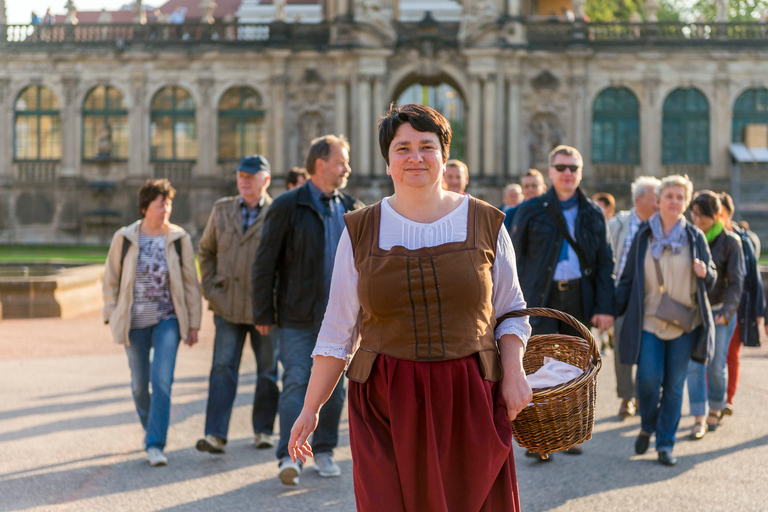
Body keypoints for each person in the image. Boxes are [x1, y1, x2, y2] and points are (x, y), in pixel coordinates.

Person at [288, 103, 532, 511]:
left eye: (427, 146)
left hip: (468, 396)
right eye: (402, 148)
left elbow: (510, 310)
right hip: (386, 402)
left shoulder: (487, 222)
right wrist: (309, 409)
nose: (415, 157)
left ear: (444, 155)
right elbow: (338, 331)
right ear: (387, 162)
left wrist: (515, 372)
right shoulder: (360, 229)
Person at [252, 134, 364, 486]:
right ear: (321, 164)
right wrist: (263, 313)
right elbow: (264, 262)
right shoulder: (287, 205)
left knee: (334, 387)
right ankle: (290, 455)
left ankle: (325, 450)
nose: (347, 168)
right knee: (297, 381)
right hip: (296, 315)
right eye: (341, 161)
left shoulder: (353, 207)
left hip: (342, 319)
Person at [511, 145, 614, 457]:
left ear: (580, 173)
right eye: (561, 167)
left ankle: (568, 431)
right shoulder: (531, 209)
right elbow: (513, 259)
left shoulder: (593, 212)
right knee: (537, 366)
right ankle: (537, 436)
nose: (567, 173)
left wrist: (605, 307)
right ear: (550, 172)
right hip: (541, 296)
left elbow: (605, 262)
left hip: (578, 297)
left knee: (573, 367)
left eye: (573, 168)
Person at [615, 175, 716, 467]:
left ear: (685, 203)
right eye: (669, 196)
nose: (674, 201)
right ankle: (648, 423)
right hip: (648, 320)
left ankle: (664, 443)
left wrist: (704, 273)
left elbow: (712, 278)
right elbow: (628, 278)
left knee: (673, 386)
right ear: (658, 200)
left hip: (685, 323)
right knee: (647, 380)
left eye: (680, 197)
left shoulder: (695, 237)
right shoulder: (643, 235)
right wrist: (609, 310)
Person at [102, 179, 202, 467]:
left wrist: (193, 323)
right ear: (145, 207)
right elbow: (110, 278)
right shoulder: (125, 238)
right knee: (138, 385)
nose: (166, 209)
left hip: (166, 320)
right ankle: (152, 430)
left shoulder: (179, 239)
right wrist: (111, 313)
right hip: (133, 322)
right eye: (161, 204)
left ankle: (155, 443)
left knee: (162, 380)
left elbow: (190, 284)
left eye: (168, 204)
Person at [195, 156, 279, 455]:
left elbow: (285, 262)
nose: (244, 180)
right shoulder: (221, 210)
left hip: (264, 310)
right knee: (222, 368)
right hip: (227, 306)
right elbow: (205, 252)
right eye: (241, 175)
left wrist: (274, 301)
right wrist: (211, 290)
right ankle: (215, 434)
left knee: (267, 371)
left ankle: (264, 431)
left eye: (251, 176)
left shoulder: (277, 213)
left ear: (265, 180)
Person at [686, 191, 744, 438]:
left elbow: (736, 282)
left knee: (717, 364)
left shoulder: (731, 242)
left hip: (720, 311)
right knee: (695, 366)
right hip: (694, 310)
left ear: (716, 215)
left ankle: (717, 407)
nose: (698, 221)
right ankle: (699, 415)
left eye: (703, 216)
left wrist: (727, 312)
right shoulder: (689, 237)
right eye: (694, 215)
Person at [608, 176, 660, 418]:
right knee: (622, 349)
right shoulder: (619, 224)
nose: (658, 203)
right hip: (621, 296)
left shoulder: (662, 225)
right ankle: (625, 397)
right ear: (639, 199)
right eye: (654, 198)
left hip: (650, 298)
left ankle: (642, 396)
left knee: (647, 348)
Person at [720, 193, 764, 417]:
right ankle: (714, 400)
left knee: (731, 354)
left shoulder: (742, 239)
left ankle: (727, 399)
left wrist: (760, 311)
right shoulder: (701, 237)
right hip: (711, 306)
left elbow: (754, 278)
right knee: (711, 355)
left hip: (737, 306)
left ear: (728, 213)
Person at [504, 169, 547, 234]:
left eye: (534, 186)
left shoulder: (551, 212)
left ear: (544, 189)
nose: (530, 189)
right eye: (526, 186)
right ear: (522, 190)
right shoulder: (511, 214)